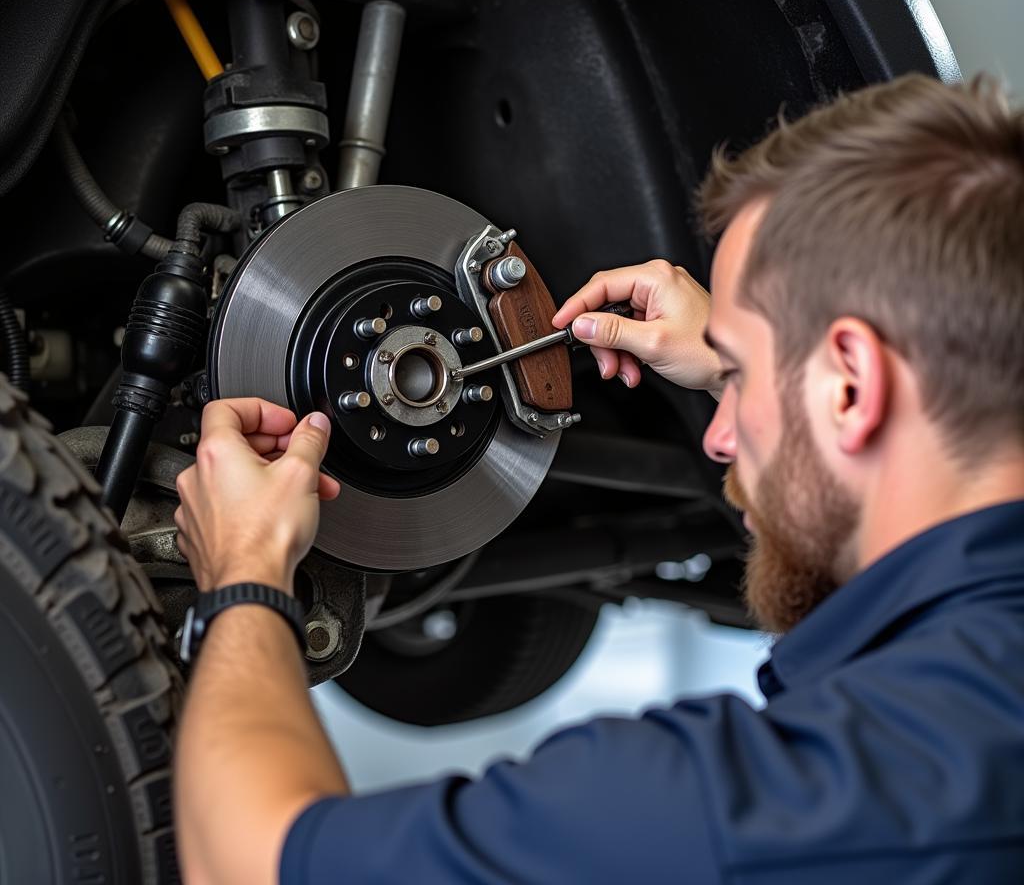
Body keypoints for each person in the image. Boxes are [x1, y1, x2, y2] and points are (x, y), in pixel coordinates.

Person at [173, 73, 1024, 884]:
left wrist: (245, 573)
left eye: (736, 380)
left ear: (851, 384)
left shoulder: (747, 809)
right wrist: (757, 367)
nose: (719, 438)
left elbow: (247, 862)